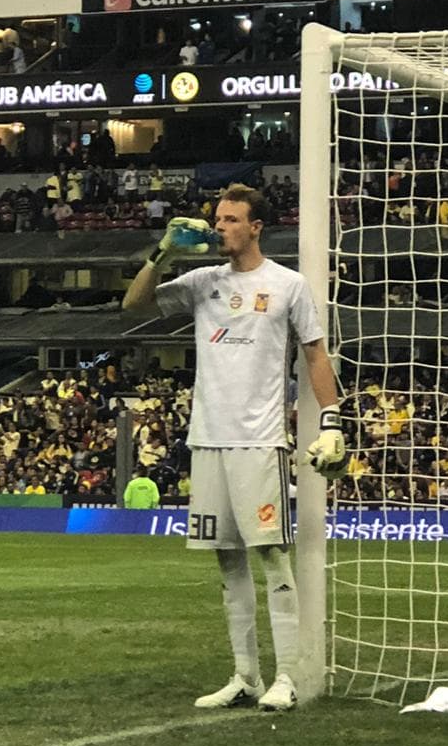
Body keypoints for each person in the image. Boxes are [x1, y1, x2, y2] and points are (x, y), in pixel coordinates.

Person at [123, 184, 346, 712]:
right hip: (207, 439)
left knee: (270, 553)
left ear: (255, 227)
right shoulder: (203, 282)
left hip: (258, 439)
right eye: (218, 219)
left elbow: (316, 355)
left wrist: (331, 420)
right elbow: (133, 304)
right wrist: (163, 252)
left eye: (230, 220)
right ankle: (246, 676)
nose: (219, 227)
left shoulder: (287, 285)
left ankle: (287, 676)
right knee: (226, 559)